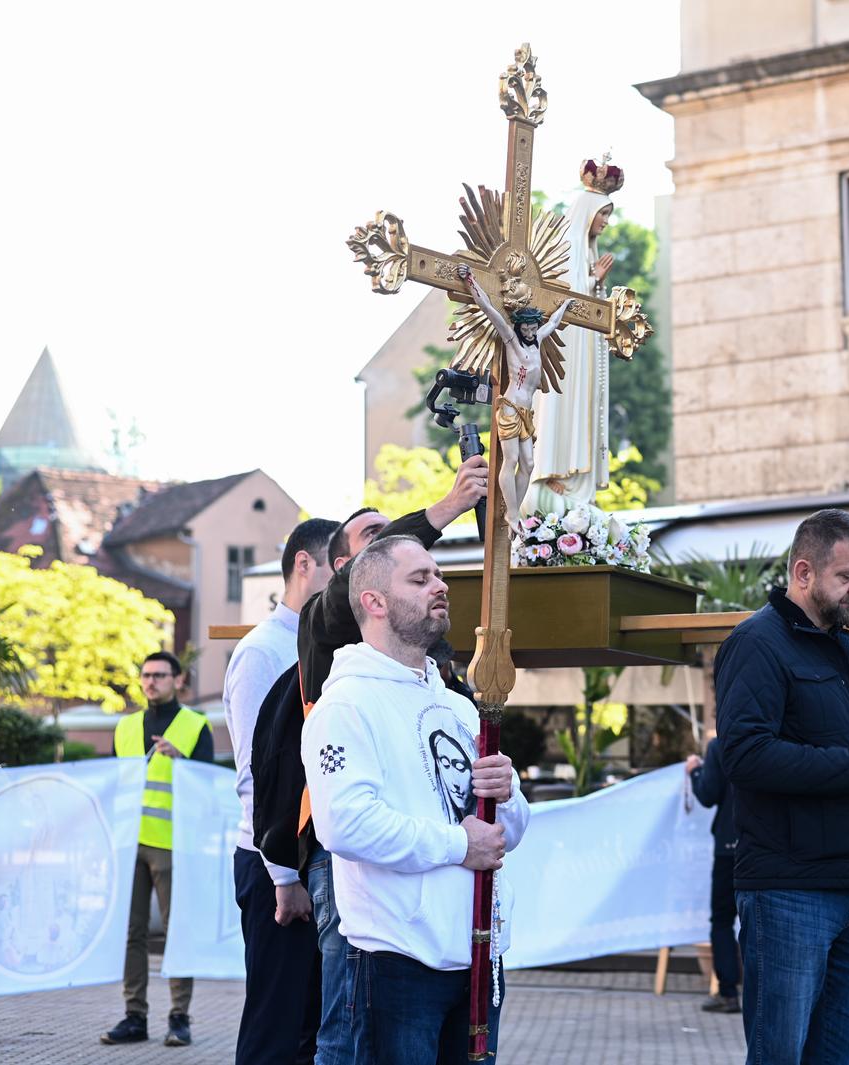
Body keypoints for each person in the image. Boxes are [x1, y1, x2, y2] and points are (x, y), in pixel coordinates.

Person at [302, 536, 529, 1064]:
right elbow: (344, 825)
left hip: (475, 953)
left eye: (438, 575)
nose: (440, 586)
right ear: (374, 602)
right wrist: (457, 845)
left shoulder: (459, 706)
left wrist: (507, 794)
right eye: (420, 578)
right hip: (394, 961)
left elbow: (504, 835)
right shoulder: (347, 704)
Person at [715, 507, 849, 1065]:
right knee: (780, 1054)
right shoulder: (757, 643)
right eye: (847, 576)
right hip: (789, 893)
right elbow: (746, 756)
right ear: (804, 573)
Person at [224, 517, 338, 1065]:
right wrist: (285, 877)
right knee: (275, 1021)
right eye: (337, 567)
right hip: (274, 864)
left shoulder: (326, 647)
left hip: (311, 861)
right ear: (304, 565)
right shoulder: (262, 651)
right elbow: (256, 773)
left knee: (311, 1025)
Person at [102, 651, 212, 1048]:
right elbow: (112, 782)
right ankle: (135, 1016)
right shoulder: (126, 727)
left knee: (177, 930)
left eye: (160, 675)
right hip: (129, 842)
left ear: (177, 680)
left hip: (172, 845)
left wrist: (182, 759)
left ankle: (179, 1017)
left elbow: (209, 785)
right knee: (130, 933)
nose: (151, 682)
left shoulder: (195, 726)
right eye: (146, 675)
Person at [524, 156, 619, 516]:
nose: (607, 223)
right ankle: (552, 475)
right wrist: (592, 281)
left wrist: (596, 284)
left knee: (585, 404)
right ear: (588, 212)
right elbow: (563, 300)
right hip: (563, 355)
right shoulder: (566, 250)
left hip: (584, 356)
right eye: (603, 214)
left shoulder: (588, 253)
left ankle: (578, 486)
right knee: (563, 406)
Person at [459, 265, 572, 537]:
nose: (532, 331)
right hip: (510, 407)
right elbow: (489, 310)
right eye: (528, 328)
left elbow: (554, 323)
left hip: (526, 413)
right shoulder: (512, 340)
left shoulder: (538, 340)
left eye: (534, 327)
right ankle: (510, 513)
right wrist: (470, 280)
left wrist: (565, 307)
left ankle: (515, 511)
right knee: (510, 460)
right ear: (520, 327)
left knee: (529, 465)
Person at [686, 733, 740, 1014]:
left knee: (722, 920)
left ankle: (728, 993)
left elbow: (707, 794)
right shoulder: (775, 740)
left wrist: (695, 770)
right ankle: (759, 992)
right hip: (766, 848)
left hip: (728, 849)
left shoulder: (720, 746)